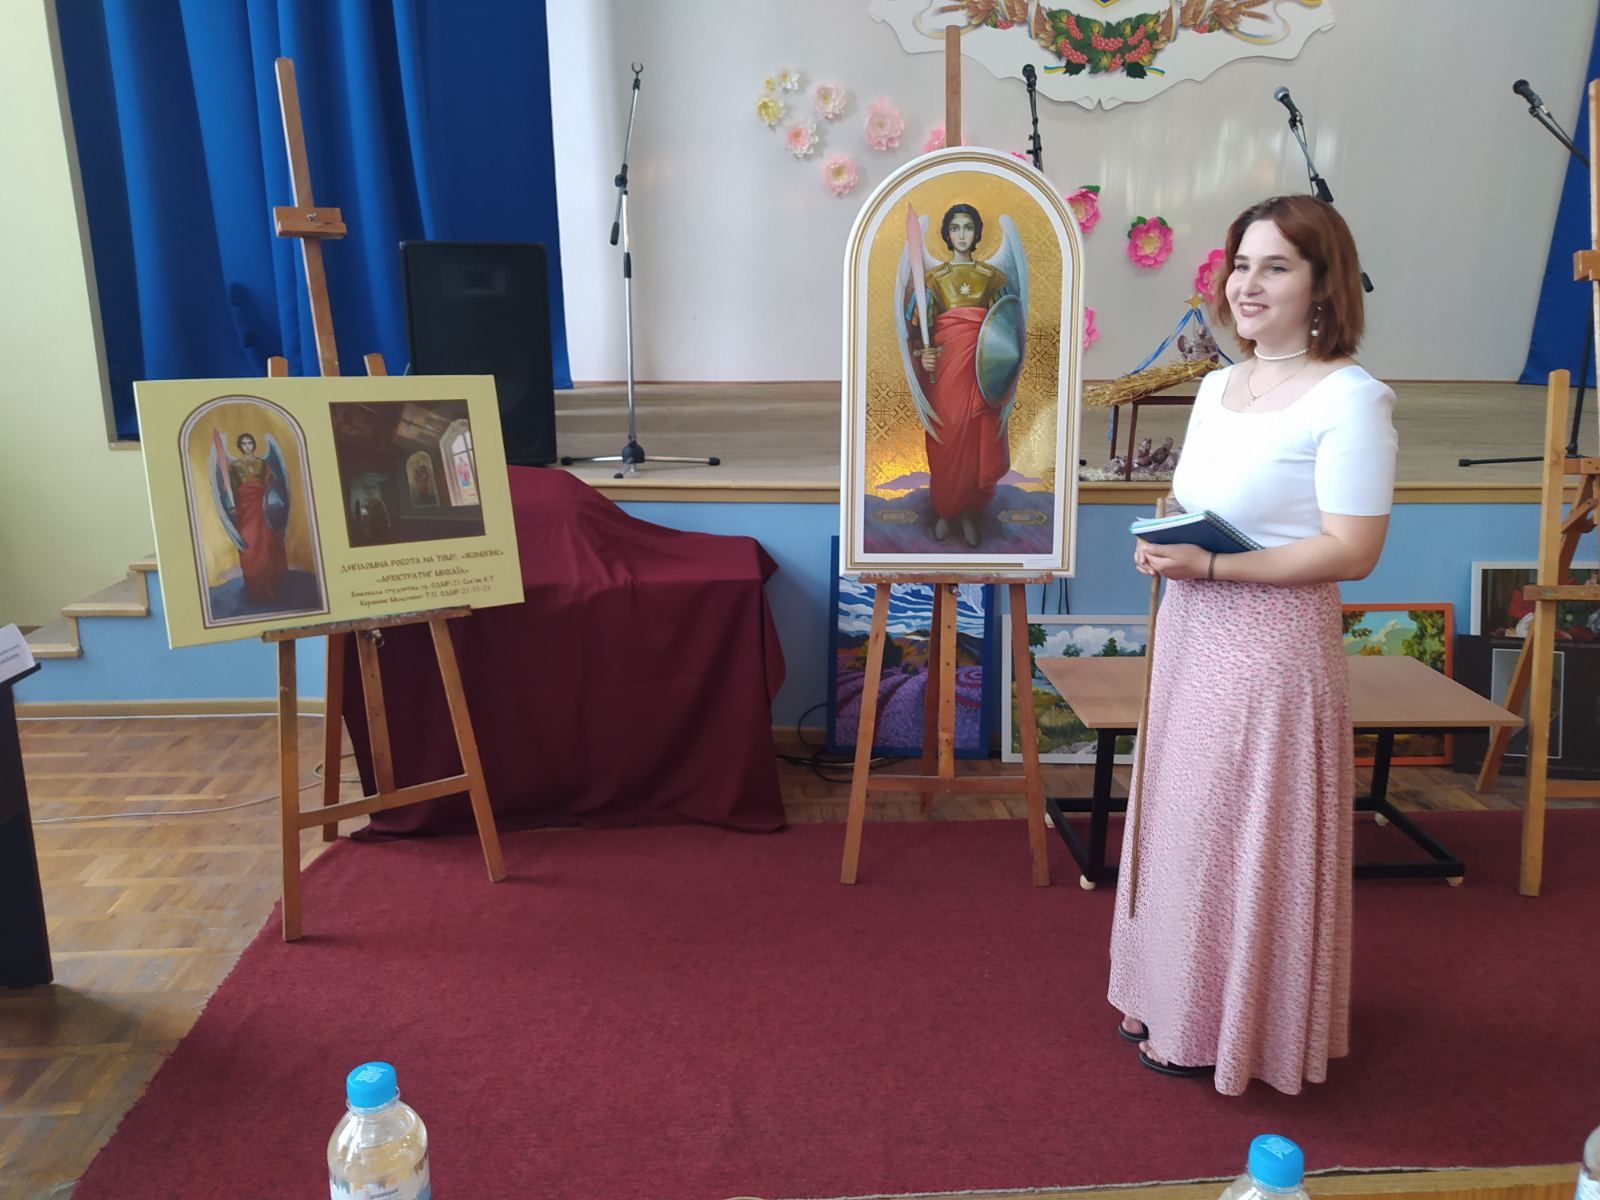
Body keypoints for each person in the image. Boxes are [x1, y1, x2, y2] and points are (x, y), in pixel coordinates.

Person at [1108, 195, 1397, 1096]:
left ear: (1323, 284)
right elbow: (1213, 507)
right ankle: (1169, 1000)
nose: (1248, 284)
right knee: (1181, 821)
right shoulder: (1215, 387)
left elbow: (1354, 549)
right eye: (1241, 264)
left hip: (1270, 647)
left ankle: (1228, 1027)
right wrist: (1170, 543)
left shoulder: (1352, 397)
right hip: (1193, 628)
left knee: (1234, 831)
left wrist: (1214, 566)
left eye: (1275, 266)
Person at [912, 204, 1014, 548]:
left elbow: (1007, 327)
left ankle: (969, 511)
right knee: (947, 437)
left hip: (980, 374)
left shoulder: (992, 277)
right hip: (945, 376)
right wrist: (922, 356)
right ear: (946, 233)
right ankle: (946, 510)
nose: (961, 234)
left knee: (975, 439)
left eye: (968, 227)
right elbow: (917, 334)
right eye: (955, 228)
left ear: (977, 232)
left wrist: (1001, 369)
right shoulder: (933, 279)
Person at [226, 433, 289, 604]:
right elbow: (231, 490)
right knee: (249, 544)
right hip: (245, 510)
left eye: (250, 443)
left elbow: (273, 486)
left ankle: (270, 587)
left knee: (266, 542)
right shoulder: (234, 466)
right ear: (240, 446)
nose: (247, 446)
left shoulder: (263, 464)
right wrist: (232, 505)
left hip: (262, 509)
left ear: (254, 445)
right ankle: (254, 590)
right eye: (244, 443)